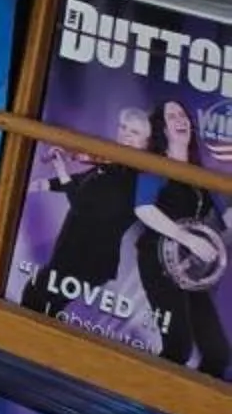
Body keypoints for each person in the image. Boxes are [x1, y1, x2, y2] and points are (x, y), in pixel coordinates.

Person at [134, 95, 232, 376]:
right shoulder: (157, 165)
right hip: (157, 260)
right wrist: (187, 239)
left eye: (183, 115)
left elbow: (227, 217)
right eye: (172, 116)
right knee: (178, 347)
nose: (180, 120)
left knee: (217, 353)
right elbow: (143, 208)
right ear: (163, 129)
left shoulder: (201, 173)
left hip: (190, 270)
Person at [20, 108, 149, 316]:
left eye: (134, 132)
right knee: (36, 297)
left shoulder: (134, 179)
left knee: (40, 300)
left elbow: (83, 206)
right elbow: (85, 182)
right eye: (123, 127)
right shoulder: (115, 165)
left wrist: (61, 170)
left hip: (88, 261)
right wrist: (45, 184)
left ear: (147, 143)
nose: (125, 134)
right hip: (71, 254)